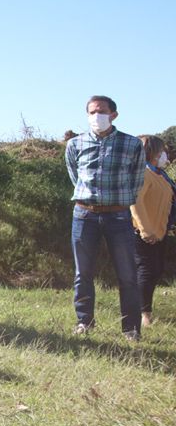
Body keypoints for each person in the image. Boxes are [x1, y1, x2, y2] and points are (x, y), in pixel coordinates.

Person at [66, 95, 146, 340]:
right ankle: (84, 322)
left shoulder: (132, 144)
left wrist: (118, 202)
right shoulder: (75, 144)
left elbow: (137, 180)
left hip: (118, 217)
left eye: (101, 111)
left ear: (114, 115)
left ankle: (130, 328)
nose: (95, 116)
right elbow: (74, 176)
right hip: (84, 215)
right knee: (83, 273)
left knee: (127, 274)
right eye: (91, 112)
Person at [131, 136, 175, 327]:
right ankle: (144, 315)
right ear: (154, 152)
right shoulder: (143, 173)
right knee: (147, 271)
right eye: (162, 150)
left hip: (160, 232)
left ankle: (143, 309)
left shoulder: (159, 174)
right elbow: (136, 201)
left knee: (156, 270)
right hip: (144, 233)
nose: (165, 154)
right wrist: (145, 229)